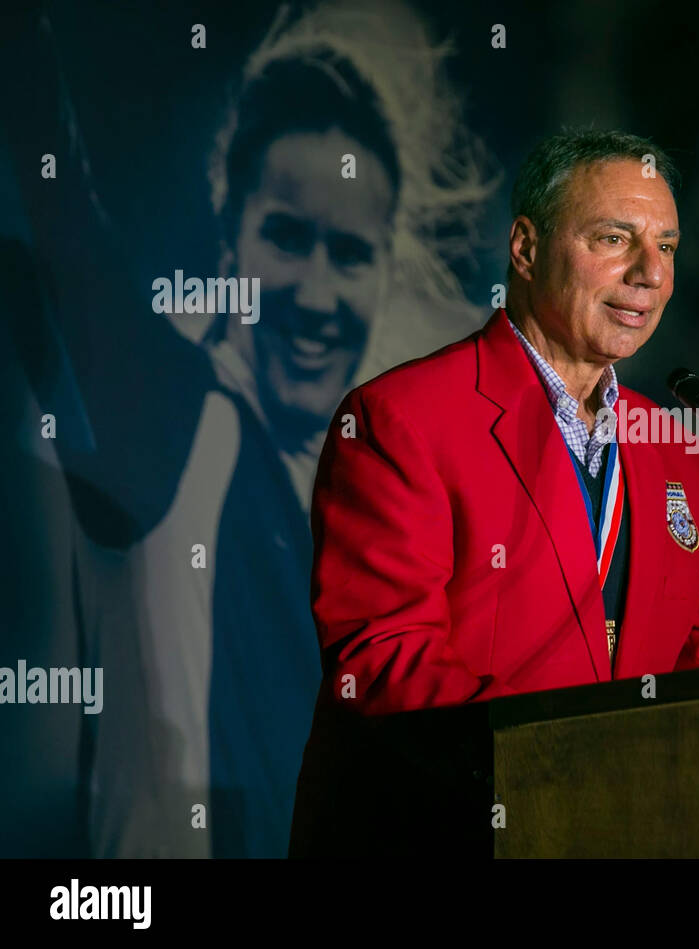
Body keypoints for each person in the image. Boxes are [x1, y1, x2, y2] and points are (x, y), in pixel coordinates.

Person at [0, 0, 494, 857]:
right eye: (286, 237)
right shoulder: (173, 413)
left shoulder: (361, 517)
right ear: (228, 235)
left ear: (382, 272)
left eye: (349, 254)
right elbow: (63, 211)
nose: (314, 292)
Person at [307, 130, 699, 719]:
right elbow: (385, 663)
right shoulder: (399, 420)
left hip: (629, 803)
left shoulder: (670, 442)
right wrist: (559, 749)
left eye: (666, 247)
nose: (651, 274)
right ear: (526, 249)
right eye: (615, 239)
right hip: (473, 803)